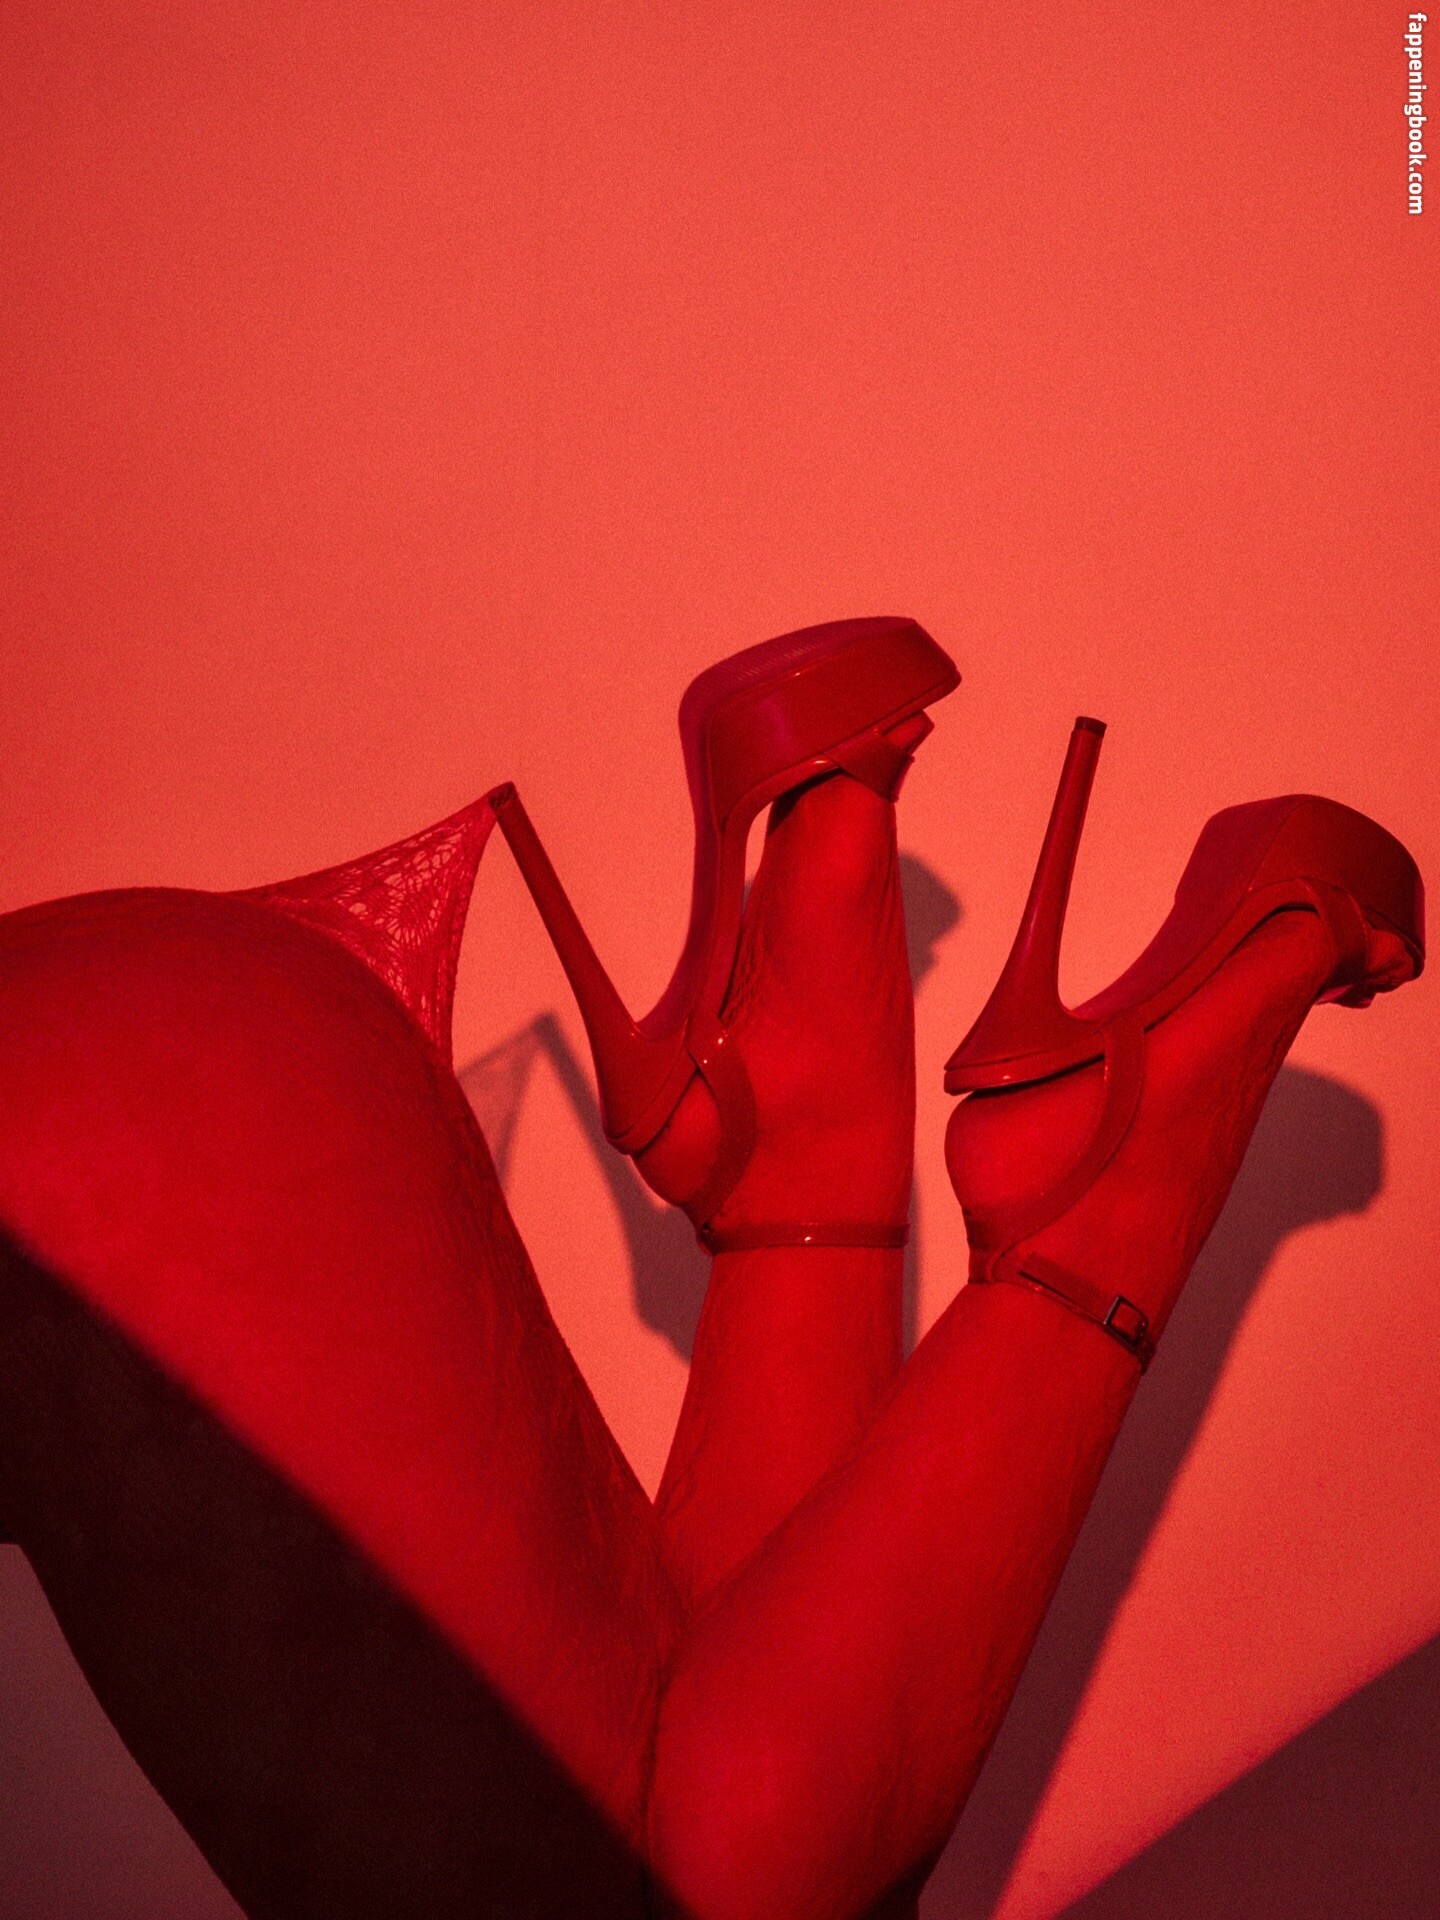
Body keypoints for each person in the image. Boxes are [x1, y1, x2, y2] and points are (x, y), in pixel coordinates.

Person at [0, 618, 1422, 1920]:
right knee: (707, 1854)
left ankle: (1098, 1194)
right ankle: (804, 1135)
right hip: (144, 1064)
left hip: (91, 1157)